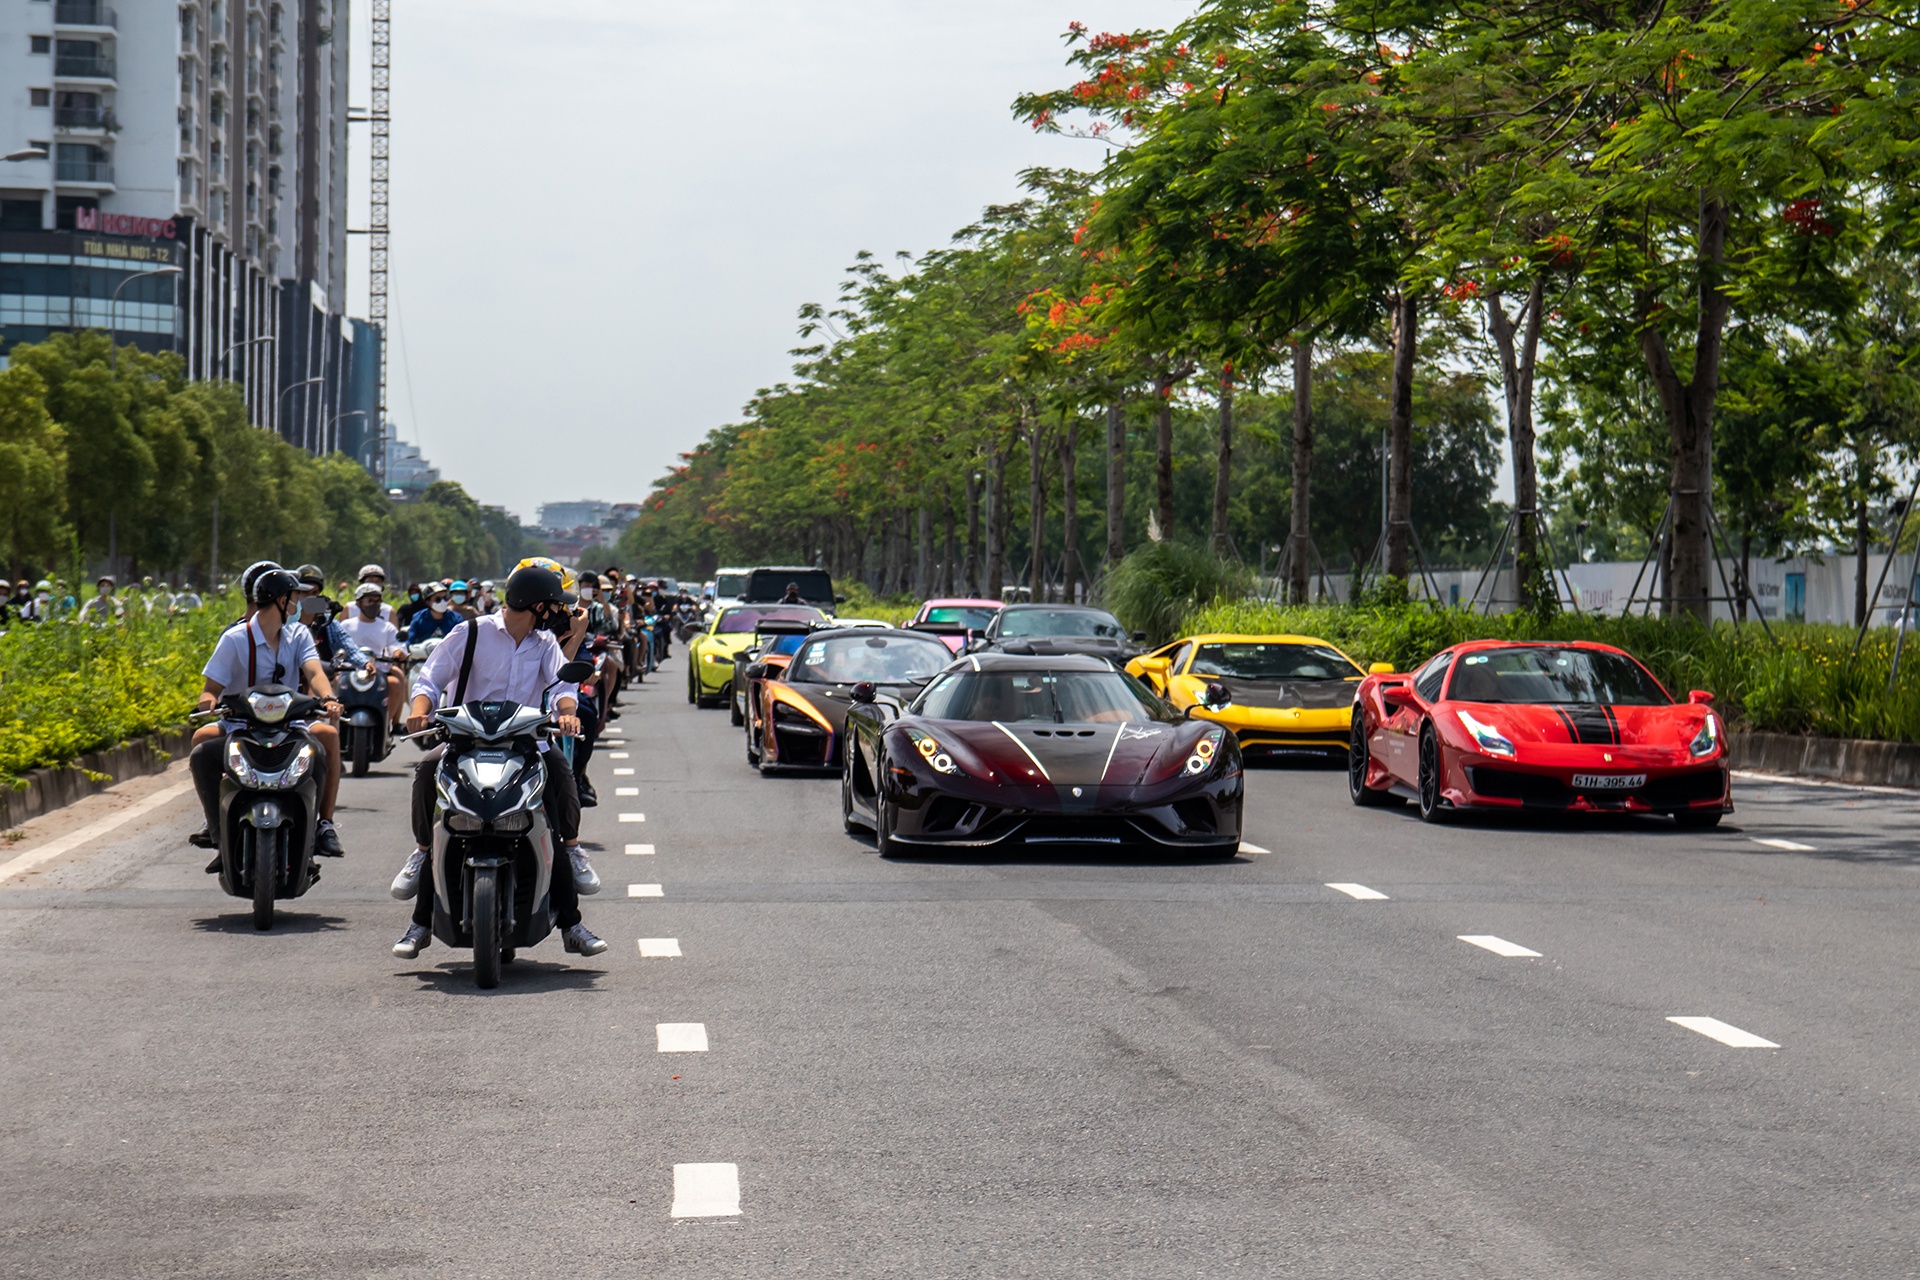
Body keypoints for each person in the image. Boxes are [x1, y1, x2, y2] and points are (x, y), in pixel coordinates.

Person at [387, 562, 608, 959]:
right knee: (427, 774)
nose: (559, 611)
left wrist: (568, 713)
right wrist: (419, 711)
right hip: (464, 742)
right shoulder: (471, 632)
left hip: (525, 745)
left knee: (557, 791)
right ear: (536, 605)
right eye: (554, 604)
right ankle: (420, 881)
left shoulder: (545, 643)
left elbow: (562, 686)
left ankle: (572, 920)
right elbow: (430, 680)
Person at [187, 568, 348, 862]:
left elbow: (314, 672)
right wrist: (207, 701)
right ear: (281, 600)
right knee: (201, 746)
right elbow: (210, 689)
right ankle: (216, 828)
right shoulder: (234, 638)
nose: (299, 603)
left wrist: (328, 698)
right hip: (239, 726)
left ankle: (324, 825)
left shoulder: (298, 635)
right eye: (295, 596)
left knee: (328, 736)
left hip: (290, 726)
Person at [341, 581, 409, 728]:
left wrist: (398, 652)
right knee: (335, 681)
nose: (374, 604)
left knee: (395, 682)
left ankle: (386, 725)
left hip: (379, 670)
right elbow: (337, 645)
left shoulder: (387, 627)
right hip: (350, 669)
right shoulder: (346, 625)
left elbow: (396, 644)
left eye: (377, 601)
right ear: (359, 603)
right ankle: (337, 723)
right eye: (369, 601)